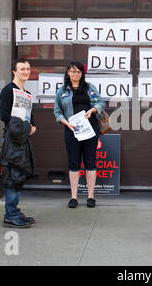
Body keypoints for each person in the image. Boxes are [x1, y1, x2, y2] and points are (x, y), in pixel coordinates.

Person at [54, 62, 105, 208]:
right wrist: (67, 123)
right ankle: (74, 197)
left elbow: (101, 103)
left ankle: (90, 197)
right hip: (72, 131)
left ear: (82, 74)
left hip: (90, 131)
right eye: (73, 71)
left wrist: (93, 111)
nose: (76, 74)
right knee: (74, 163)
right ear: (68, 73)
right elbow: (57, 112)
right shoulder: (62, 91)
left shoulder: (89, 88)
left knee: (90, 162)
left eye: (78, 72)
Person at [0, 59, 37, 228]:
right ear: (14, 71)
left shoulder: (26, 92)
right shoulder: (8, 90)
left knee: (19, 175)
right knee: (12, 177)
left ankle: (14, 211)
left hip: (23, 139)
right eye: (22, 69)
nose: (25, 71)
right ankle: (11, 215)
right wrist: (24, 128)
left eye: (28, 69)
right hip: (12, 140)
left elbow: (29, 115)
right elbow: (4, 116)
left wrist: (32, 126)